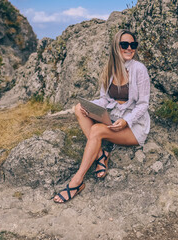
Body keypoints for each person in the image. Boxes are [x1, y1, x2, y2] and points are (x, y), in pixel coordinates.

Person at [53, 29, 151, 203]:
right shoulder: (110, 69)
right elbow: (105, 99)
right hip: (113, 117)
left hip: (134, 126)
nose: (129, 48)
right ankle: (100, 155)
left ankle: (77, 181)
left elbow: (143, 104)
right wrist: (89, 107)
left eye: (133, 45)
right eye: (124, 45)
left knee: (97, 130)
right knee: (78, 108)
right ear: (116, 47)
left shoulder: (139, 69)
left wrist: (126, 121)